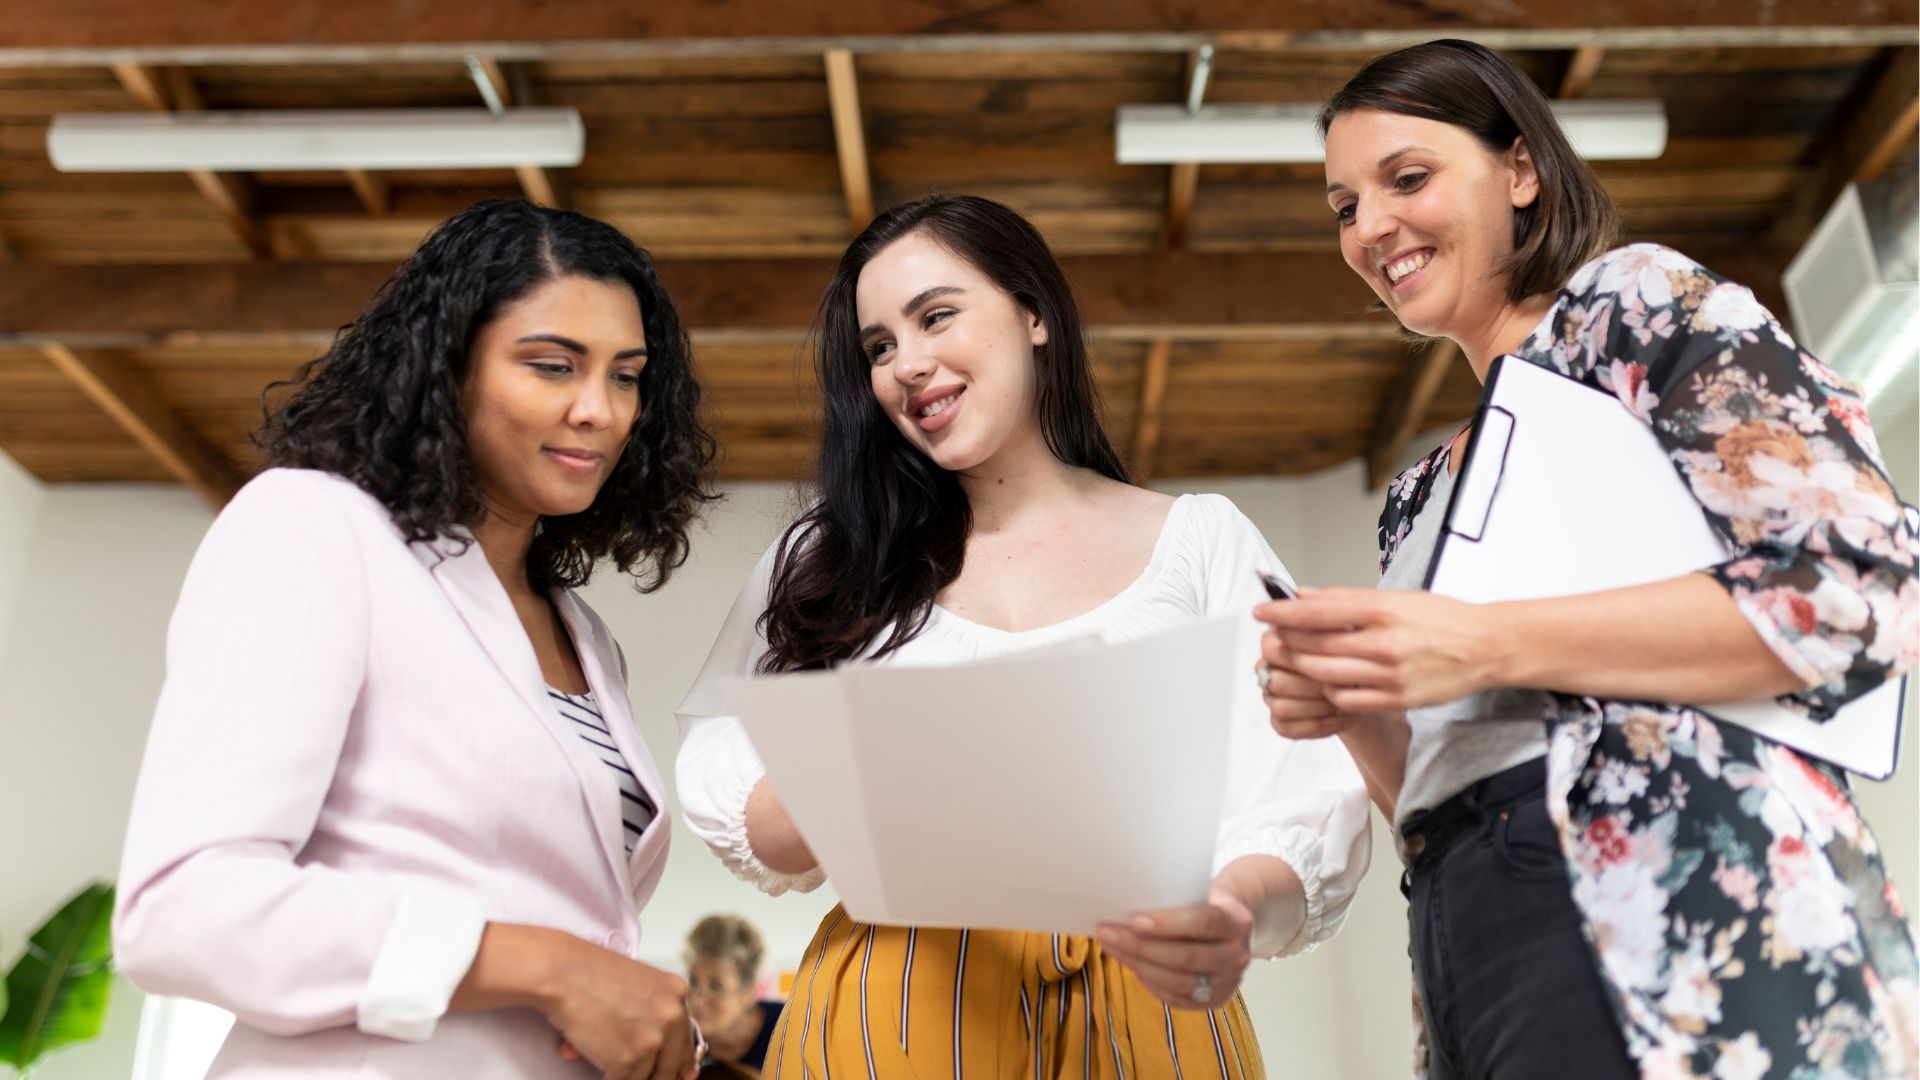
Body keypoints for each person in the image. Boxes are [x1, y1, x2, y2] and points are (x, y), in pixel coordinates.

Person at [1256, 39, 1920, 1080]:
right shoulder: (1419, 492)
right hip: (1464, 921)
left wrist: (1478, 645)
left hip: (1667, 895)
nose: (1370, 227)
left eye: (1408, 178)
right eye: (1344, 206)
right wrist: (1356, 709)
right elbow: (1436, 786)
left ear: (1520, 170)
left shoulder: (1632, 309)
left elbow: (1860, 587)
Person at [676, 194, 1371, 1079]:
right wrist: (887, 752)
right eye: (879, 347)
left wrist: (1230, 910)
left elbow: (1303, 796)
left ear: (1034, 313)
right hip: (897, 1005)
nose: (908, 366)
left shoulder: (1201, 540)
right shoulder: (828, 560)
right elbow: (749, 818)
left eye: (936, 317)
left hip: (1150, 996)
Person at [114, 198, 718, 1079]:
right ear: (446, 370)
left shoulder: (582, 633)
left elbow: (568, 915)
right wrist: (551, 969)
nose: (601, 410)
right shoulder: (316, 528)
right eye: (552, 366)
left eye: (626, 376)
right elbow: (183, 909)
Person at [683, 914, 782, 1079]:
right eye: (693, 983)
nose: (696, 1000)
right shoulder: (682, 1043)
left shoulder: (789, 1027)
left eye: (716, 987)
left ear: (748, 992)